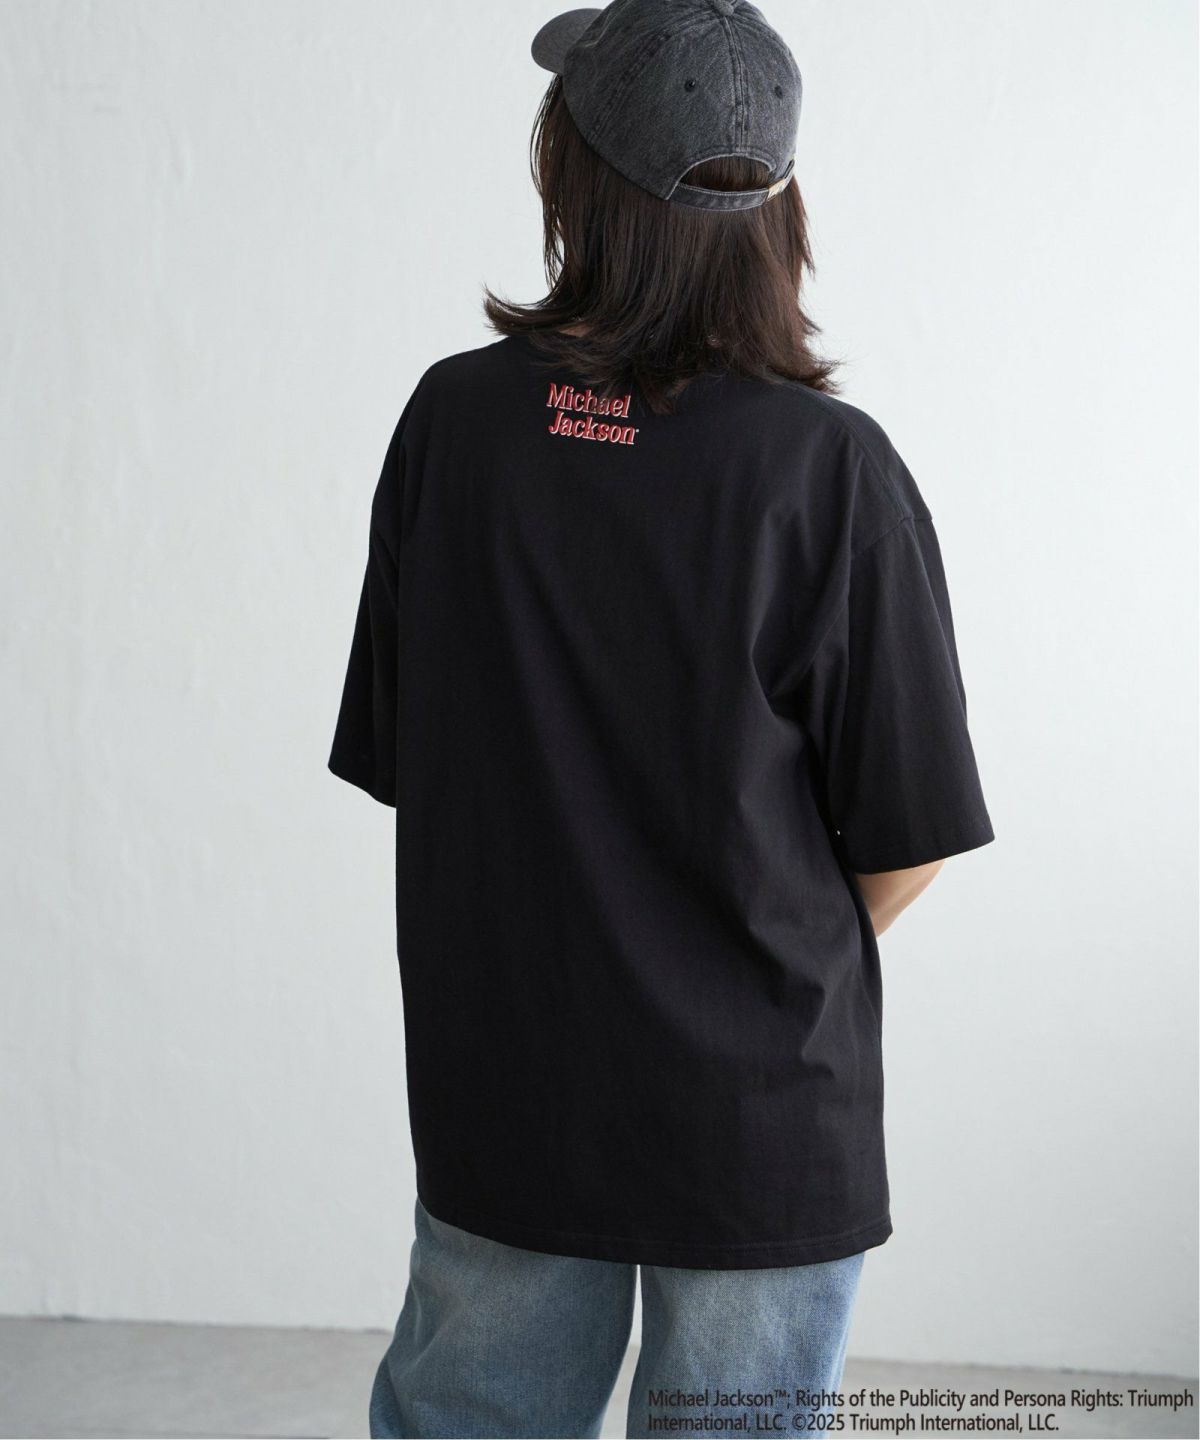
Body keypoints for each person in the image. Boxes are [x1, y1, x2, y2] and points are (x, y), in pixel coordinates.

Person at [327, 1, 996, 1435]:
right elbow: (909, 838)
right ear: (778, 210)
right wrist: (728, 979)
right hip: (760, 1116)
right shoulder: (831, 473)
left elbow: (413, 763)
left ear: (571, 179)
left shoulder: (455, 428)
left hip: (508, 1088)